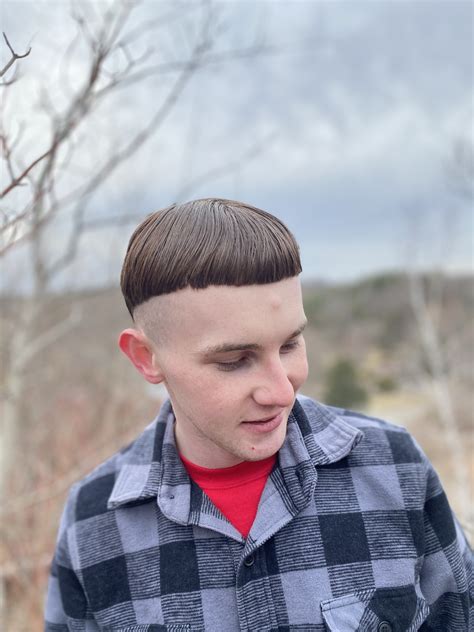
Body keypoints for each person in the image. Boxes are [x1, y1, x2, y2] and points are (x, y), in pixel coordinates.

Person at [45, 198, 471, 631]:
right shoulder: (93, 520)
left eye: (289, 345)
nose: (282, 391)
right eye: (234, 360)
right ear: (146, 357)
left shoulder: (395, 466)